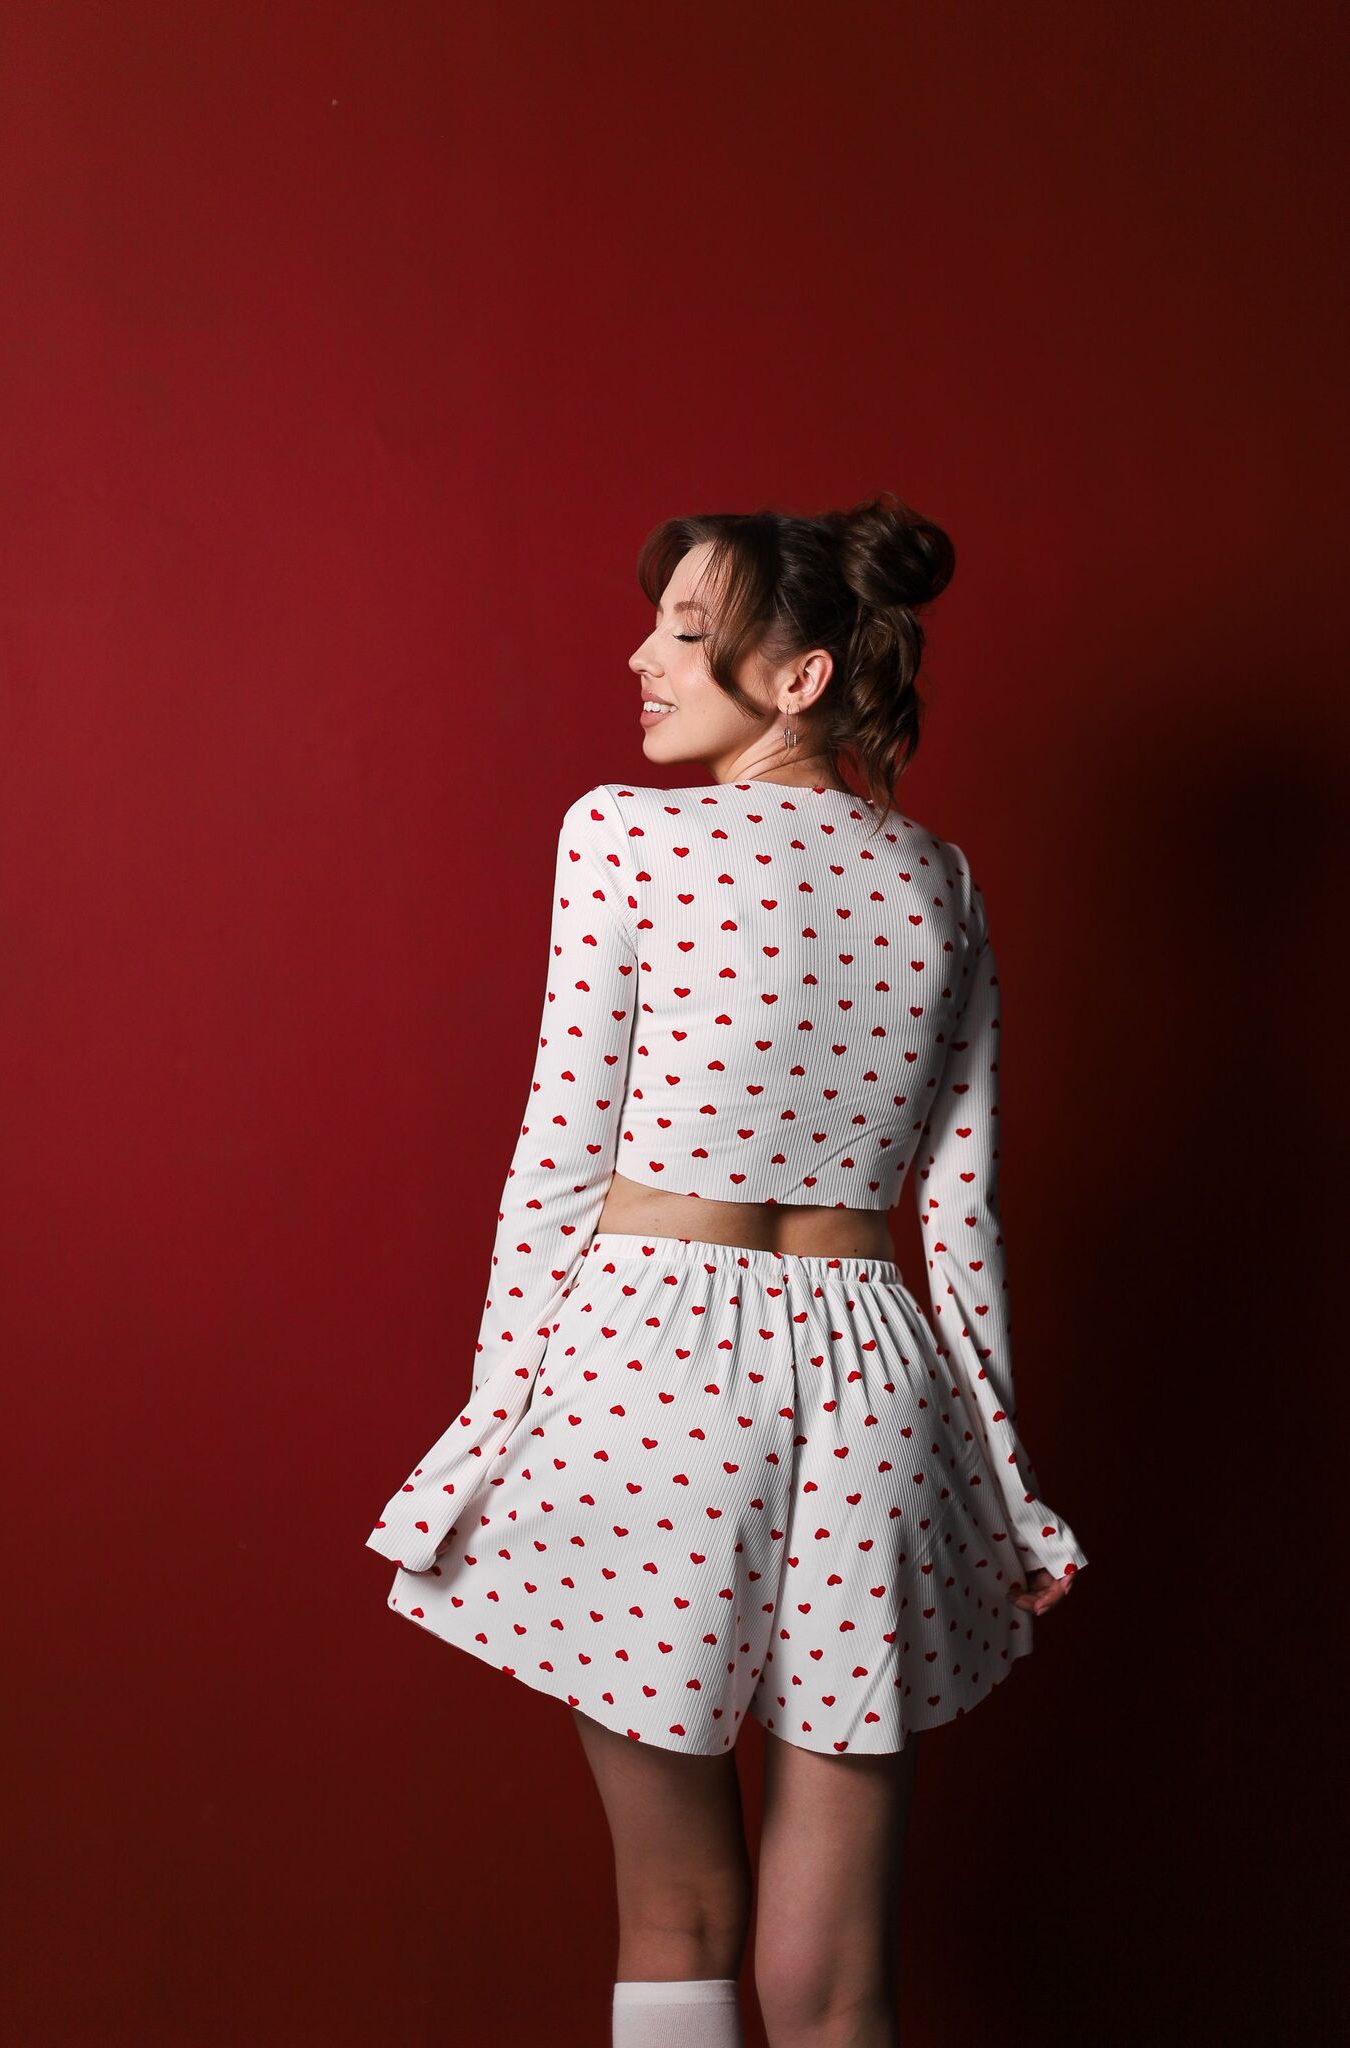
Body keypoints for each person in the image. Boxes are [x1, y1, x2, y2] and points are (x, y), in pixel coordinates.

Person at [364, 493, 1089, 2048]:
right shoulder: (941, 881)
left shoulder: (624, 834)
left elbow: (558, 1158)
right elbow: (960, 1216)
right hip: (875, 1385)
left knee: (674, 1910)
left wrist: (491, 1422)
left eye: (685, 633)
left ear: (799, 678)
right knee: (838, 1986)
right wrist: (1012, 1489)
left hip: (650, 1365)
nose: (641, 658)